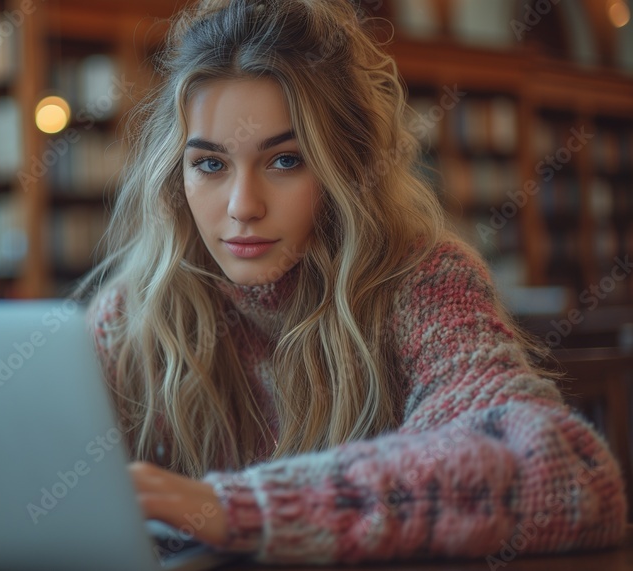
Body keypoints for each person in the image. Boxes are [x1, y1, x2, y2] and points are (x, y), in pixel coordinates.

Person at [76, 0, 627, 565]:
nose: (243, 207)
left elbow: (563, 470)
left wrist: (248, 510)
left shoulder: (420, 282)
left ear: (347, 166)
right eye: (210, 165)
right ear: (177, 175)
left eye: (286, 160)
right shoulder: (130, 317)